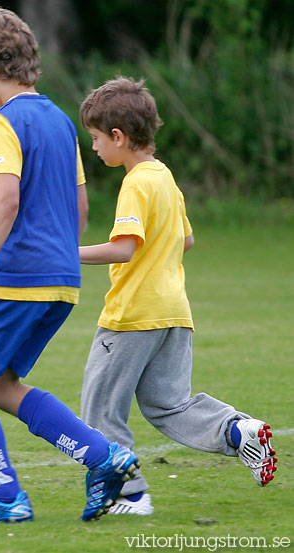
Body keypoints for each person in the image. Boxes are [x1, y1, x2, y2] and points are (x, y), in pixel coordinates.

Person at [0, 5, 139, 524]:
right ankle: (104, 457)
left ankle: (5, 497)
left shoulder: (0, 121)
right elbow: (80, 206)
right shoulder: (59, 121)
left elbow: (4, 200)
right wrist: (58, 260)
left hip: (15, 275)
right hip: (61, 280)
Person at [77, 77, 277, 516]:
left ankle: (130, 495)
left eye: (94, 139)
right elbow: (184, 240)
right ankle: (236, 430)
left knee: (99, 408)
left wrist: (64, 256)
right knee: (169, 405)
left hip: (132, 315)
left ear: (118, 137)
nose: (92, 148)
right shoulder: (164, 176)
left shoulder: (135, 184)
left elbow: (125, 248)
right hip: (174, 312)